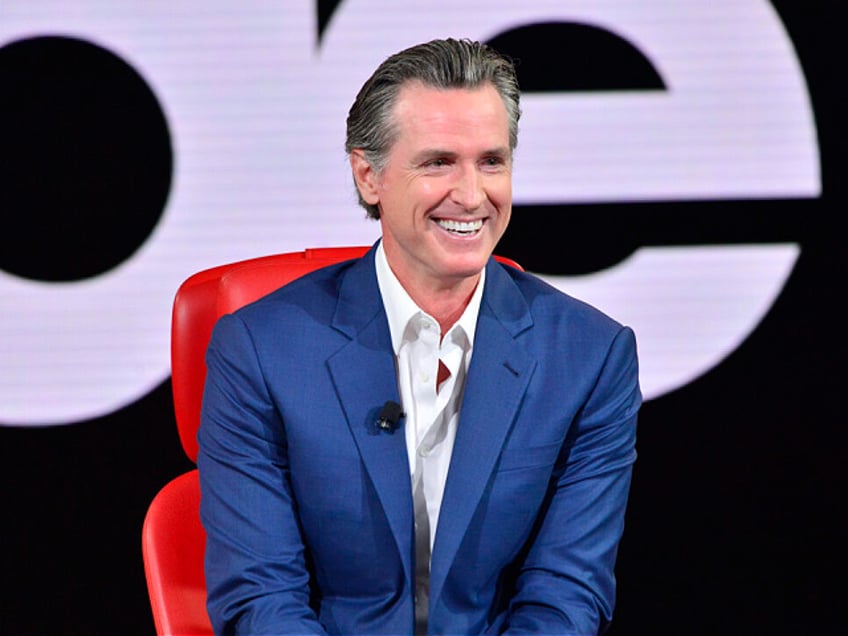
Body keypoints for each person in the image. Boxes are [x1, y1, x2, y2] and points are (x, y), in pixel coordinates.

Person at [198, 38, 640, 635]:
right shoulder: (261, 349)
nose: (471, 195)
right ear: (368, 175)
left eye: (491, 161)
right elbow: (261, 596)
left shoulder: (589, 356)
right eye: (438, 162)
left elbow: (566, 594)